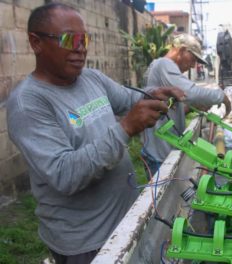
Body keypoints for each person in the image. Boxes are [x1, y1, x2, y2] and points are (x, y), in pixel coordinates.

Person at [6, 3, 184, 264]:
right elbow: (64, 174)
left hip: (128, 218)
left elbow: (126, 99)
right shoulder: (28, 104)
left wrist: (153, 93)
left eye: (84, 39)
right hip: (87, 242)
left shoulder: (90, 78)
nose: (80, 48)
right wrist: (126, 128)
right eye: (70, 39)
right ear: (36, 43)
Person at [141, 33, 232, 175]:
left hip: (161, 150)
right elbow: (190, 92)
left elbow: (167, 109)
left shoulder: (161, 67)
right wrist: (221, 96)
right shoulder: (164, 64)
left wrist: (189, 108)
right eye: (193, 59)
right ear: (182, 50)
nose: (193, 65)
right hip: (159, 154)